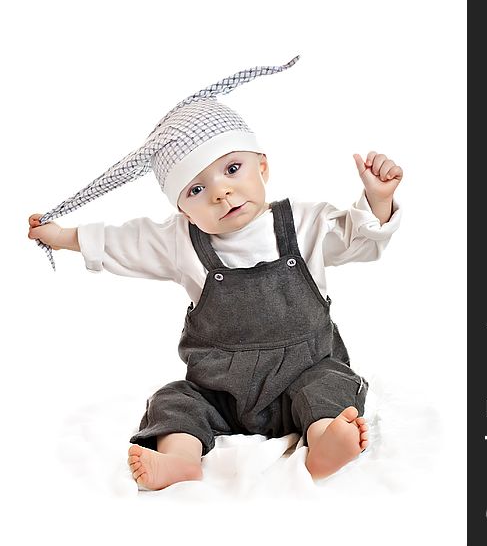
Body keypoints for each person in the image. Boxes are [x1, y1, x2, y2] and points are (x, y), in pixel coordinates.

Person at [27, 57, 403, 490]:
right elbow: (121, 243)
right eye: (197, 189)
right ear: (182, 209)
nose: (222, 192)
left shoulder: (305, 224)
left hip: (306, 373)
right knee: (173, 401)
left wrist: (376, 200)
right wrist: (63, 236)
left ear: (262, 166)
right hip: (221, 393)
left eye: (232, 169)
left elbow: (360, 239)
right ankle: (179, 459)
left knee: (332, 386)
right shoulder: (180, 241)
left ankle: (324, 441)